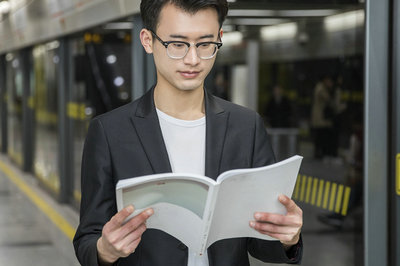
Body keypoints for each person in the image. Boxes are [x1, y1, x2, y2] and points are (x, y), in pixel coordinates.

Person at [73, 1, 303, 265]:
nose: (193, 59)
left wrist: (288, 238)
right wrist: (106, 250)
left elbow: (260, 243)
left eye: (205, 44)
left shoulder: (246, 125)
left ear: (220, 39)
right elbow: (87, 239)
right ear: (148, 41)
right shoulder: (109, 132)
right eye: (178, 44)